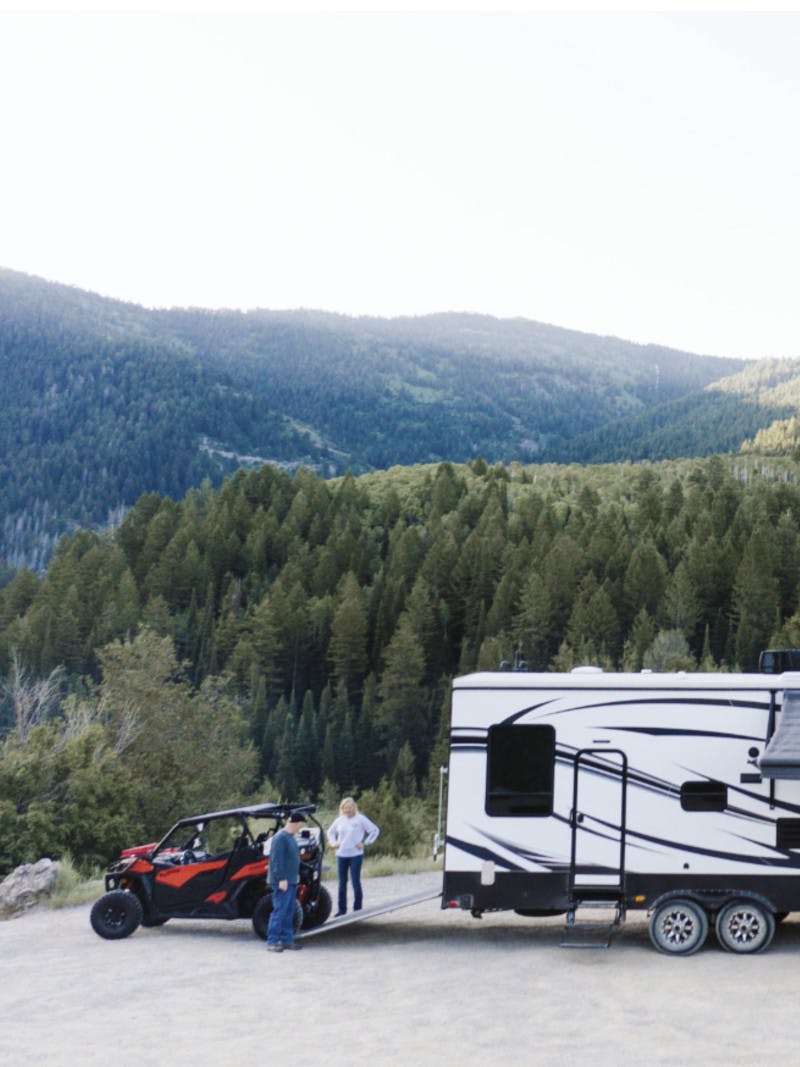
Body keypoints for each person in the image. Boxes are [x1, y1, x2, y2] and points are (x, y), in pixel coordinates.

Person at [327, 797, 380, 916]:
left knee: (355, 881)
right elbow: (330, 832)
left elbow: (374, 830)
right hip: (341, 854)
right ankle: (341, 910)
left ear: (354, 808)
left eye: (350, 807)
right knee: (342, 882)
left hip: (355, 854)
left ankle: (358, 909)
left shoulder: (360, 819)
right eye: (345, 808)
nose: (348, 810)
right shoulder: (339, 820)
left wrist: (365, 842)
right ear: (342, 809)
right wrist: (333, 842)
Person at [266, 811, 306, 952]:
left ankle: (287, 940)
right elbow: (276, 861)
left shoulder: (291, 837)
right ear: (294, 823)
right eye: (299, 826)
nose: (299, 829)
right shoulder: (280, 838)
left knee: (289, 910)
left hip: (291, 879)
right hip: (282, 881)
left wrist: (295, 875)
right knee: (280, 910)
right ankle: (272, 941)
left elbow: (293, 858)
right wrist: (281, 878)